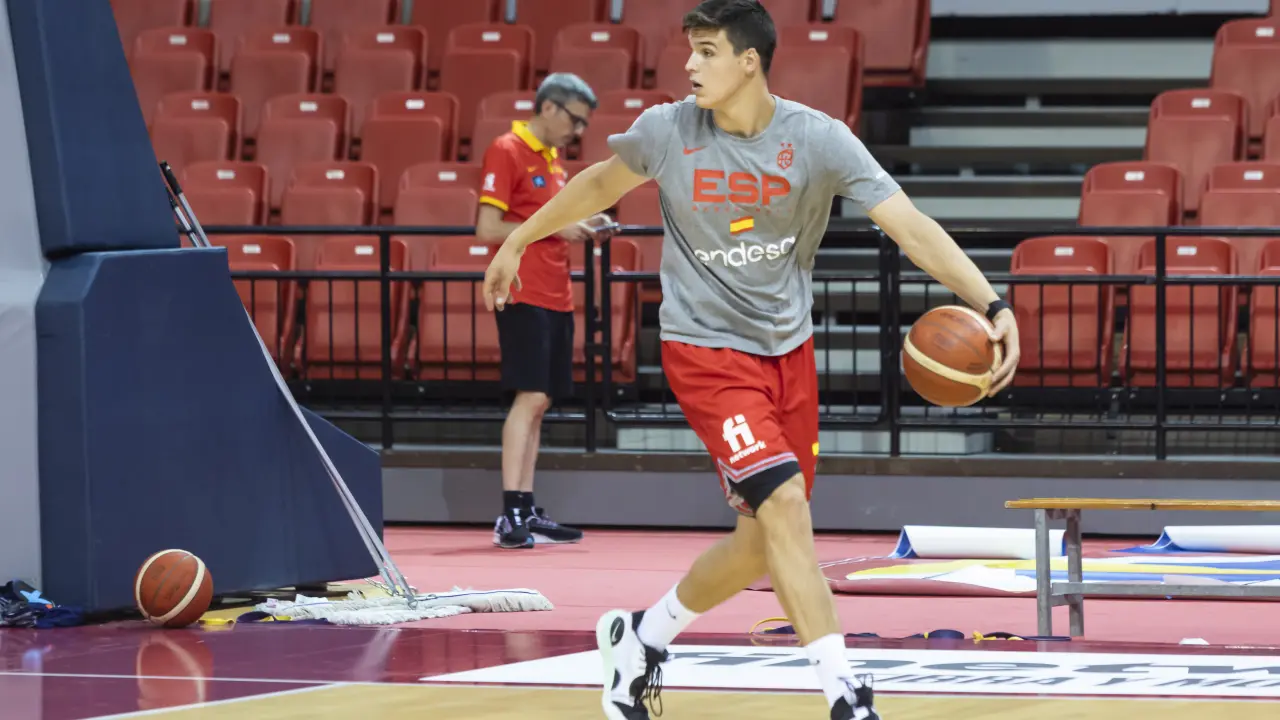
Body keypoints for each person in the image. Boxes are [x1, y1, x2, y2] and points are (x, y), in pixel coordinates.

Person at [481, 1, 1021, 716]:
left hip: (787, 354)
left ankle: (641, 639)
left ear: (749, 61)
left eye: (706, 51)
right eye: (690, 50)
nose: (689, 65)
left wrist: (992, 302)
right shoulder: (669, 129)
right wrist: (517, 240)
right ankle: (846, 694)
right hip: (705, 352)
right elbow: (599, 183)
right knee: (787, 504)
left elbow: (911, 227)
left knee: (760, 544)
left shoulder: (818, 139)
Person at [475, 72, 613, 550]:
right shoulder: (507, 149)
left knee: (542, 400)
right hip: (522, 291)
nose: (579, 131)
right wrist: (558, 229)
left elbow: (545, 219)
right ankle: (510, 512)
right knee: (530, 396)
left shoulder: (554, 162)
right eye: (575, 120)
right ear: (549, 107)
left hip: (557, 293)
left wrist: (582, 224)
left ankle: (526, 506)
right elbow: (488, 227)